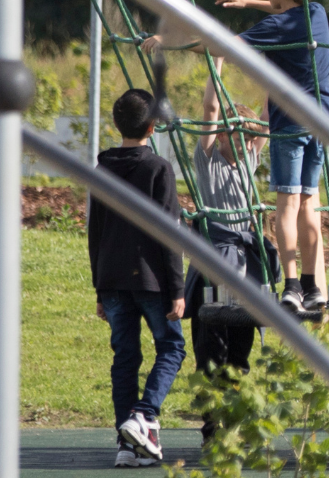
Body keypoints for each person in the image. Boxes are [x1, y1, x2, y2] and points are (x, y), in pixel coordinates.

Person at [148, 0, 329, 312]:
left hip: (290, 123)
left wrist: (171, 42)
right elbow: (285, 6)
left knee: (287, 205)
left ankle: (292, 286)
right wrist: (250, 2)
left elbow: (221, 46)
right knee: (309, 205)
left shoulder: (277, 26)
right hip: (321, 120)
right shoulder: (317, 14)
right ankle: (313, 288)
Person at [91, 89, 187, 468]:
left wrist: (100, 288)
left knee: (125, 358)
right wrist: (177, 288)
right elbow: (168, 233)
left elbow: (95, 233)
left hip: (113, 279)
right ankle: (144, 416)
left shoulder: (101, 170)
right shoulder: (158, 169)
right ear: (152, 126)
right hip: (151, 280)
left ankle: (127, 446)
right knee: (172, 348)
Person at [187, 84, 274, 446]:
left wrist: (274, 73)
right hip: (213, 261)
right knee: (211, 349)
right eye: (240, 137)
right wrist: (218, 63)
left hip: (244, 265)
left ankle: (235, 423)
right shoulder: (209, 161)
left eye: (251, 140)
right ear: (222, 134)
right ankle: (212, 428)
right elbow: (210, 111)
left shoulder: (248, 161)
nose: (248, 145)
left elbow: (267, 119)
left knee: (239, 349)